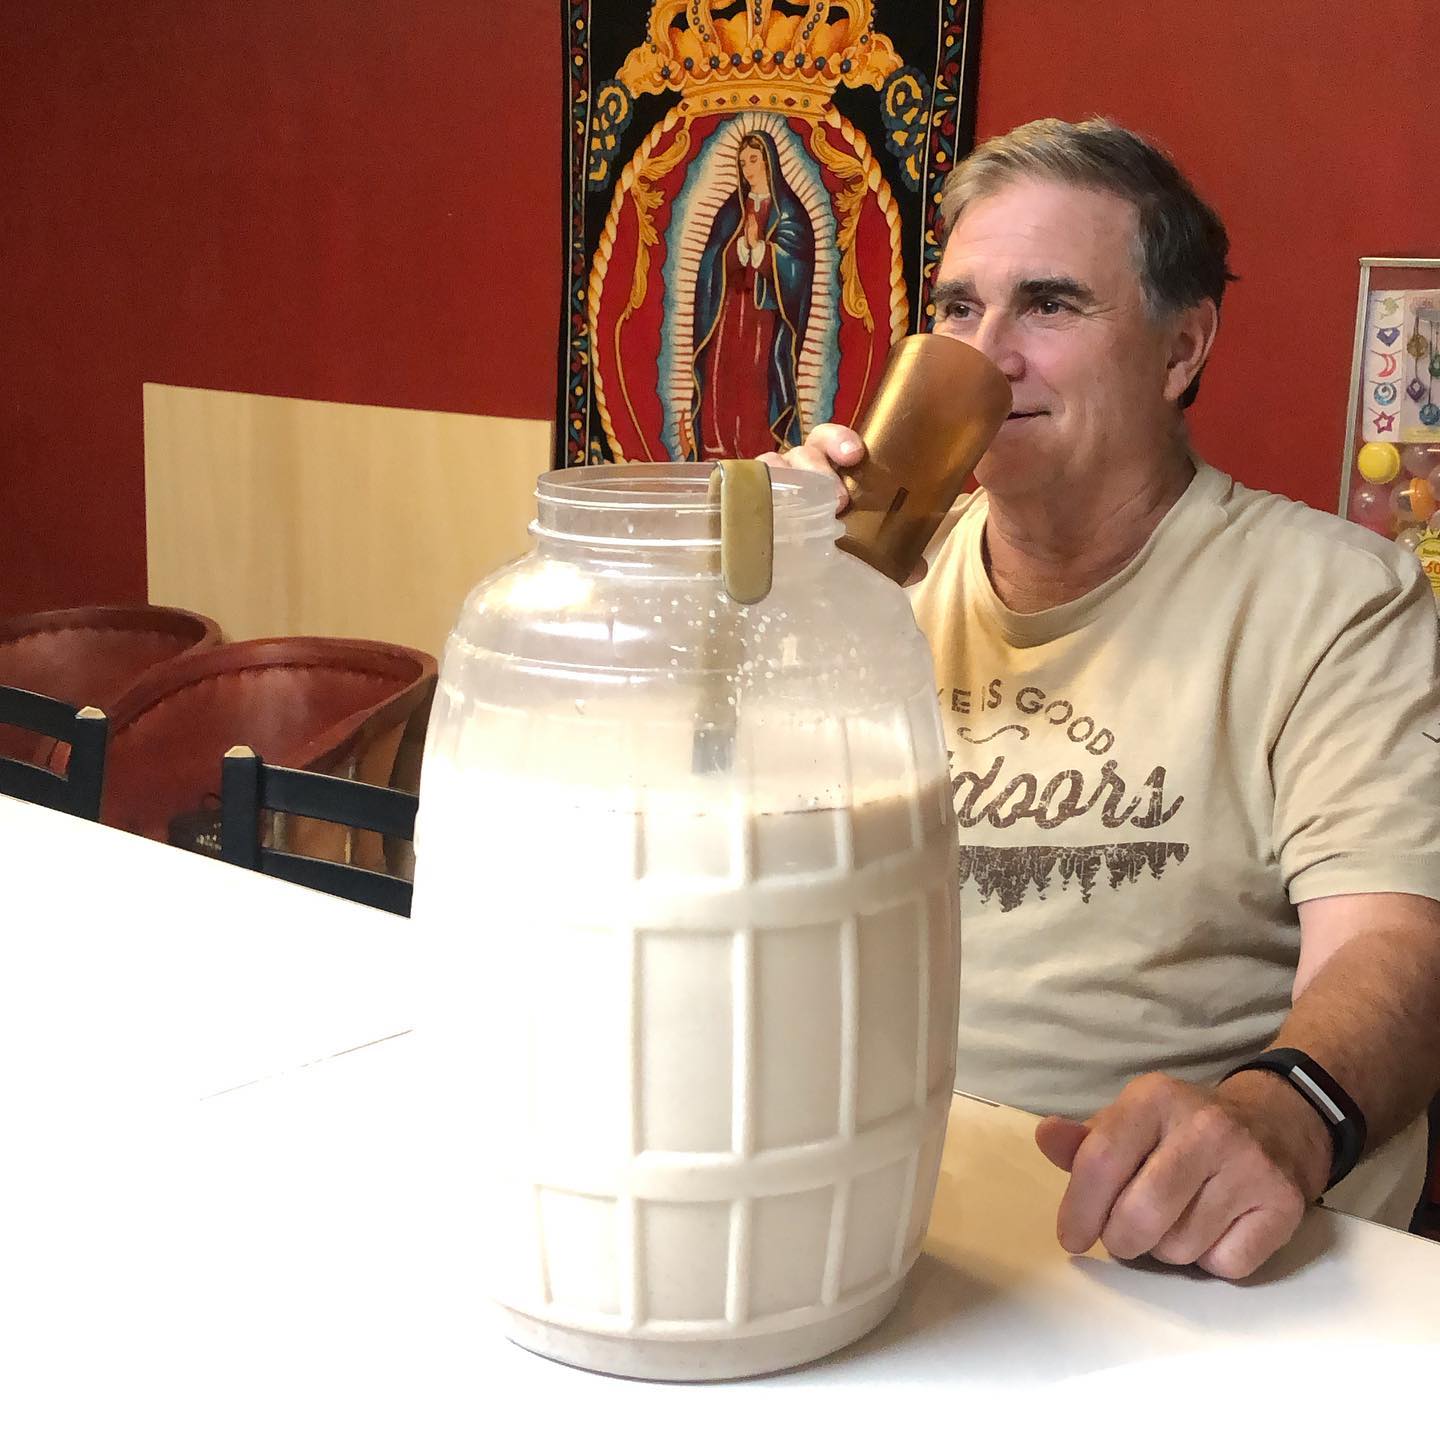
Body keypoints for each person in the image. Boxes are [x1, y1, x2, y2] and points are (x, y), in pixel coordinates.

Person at [771, 118, 1440, 1279]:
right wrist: (758, 598)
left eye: (1049, 305)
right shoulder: (859, 592)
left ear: (1182, 350)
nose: (989, 357)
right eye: (958, 309)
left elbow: (1397, 942)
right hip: (871, 1199)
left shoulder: (1335, 601)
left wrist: (1277, 1116)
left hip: (1161, 1243)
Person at [687, 129, 815, 460]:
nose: (748, 169)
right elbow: (712, 260)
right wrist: (739, 248)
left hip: (763, 315)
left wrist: (761, 249)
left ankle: (757, 452)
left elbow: (797, 263)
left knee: (755, 382)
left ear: (769, 162)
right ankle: (716, 449)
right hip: (728, 311)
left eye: (754, 160)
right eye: (743, 162)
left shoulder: (789, 212)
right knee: (721, 377)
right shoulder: (732, 211)